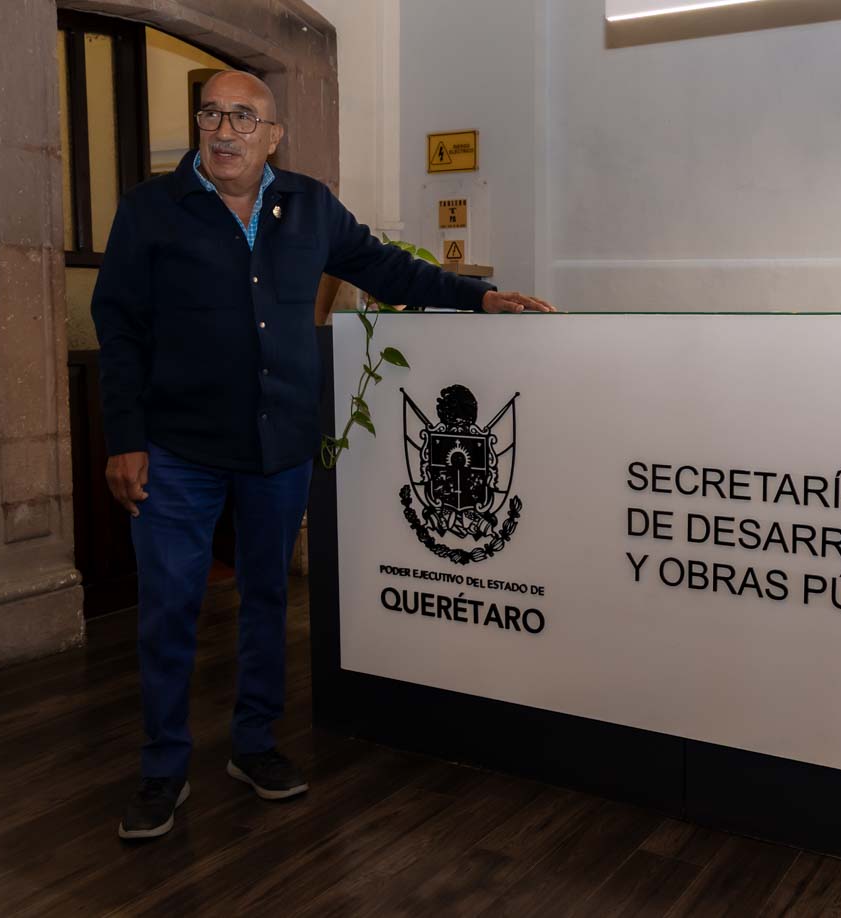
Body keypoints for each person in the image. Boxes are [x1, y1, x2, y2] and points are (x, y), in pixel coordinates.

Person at [92, 70, 556, 841]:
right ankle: (163, 769)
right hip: (177, 450)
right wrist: (126, 438)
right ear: (199, 125)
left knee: (268, 600)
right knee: (169, 610)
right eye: (212, 114)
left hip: (278, 444)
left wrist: (480, 297)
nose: (226, 130)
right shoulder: (149, 209)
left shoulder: (309, 205)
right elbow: (120, 330)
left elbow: (385, 266)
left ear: (274, 135)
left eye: (245, 117)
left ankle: (254, 744)